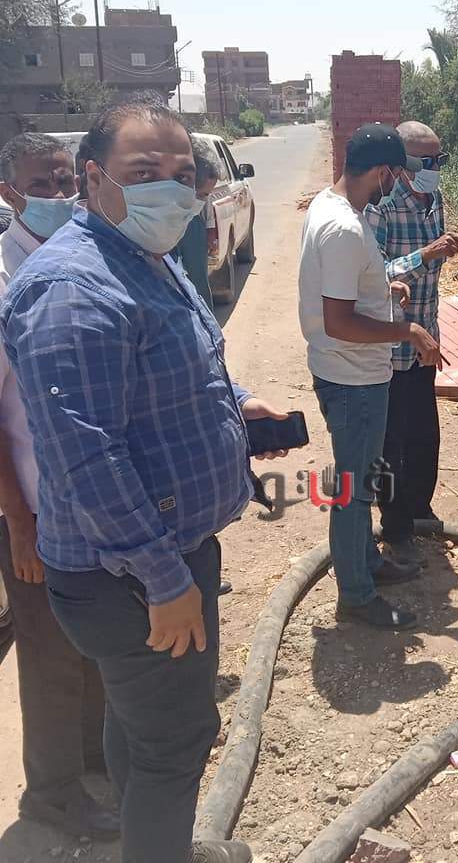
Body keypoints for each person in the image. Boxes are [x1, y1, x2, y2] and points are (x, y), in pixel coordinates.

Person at [0, 103, 289, 863]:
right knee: (174, 742)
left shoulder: (145, 256)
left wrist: (236, 404)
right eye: (144, 172)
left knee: (137, 729)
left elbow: (174, 372)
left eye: (182, 173)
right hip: (129, 572)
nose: (171, 187)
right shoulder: (73, 289)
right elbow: (84, 458)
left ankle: (150, 847)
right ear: (94, 179)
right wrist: (164, 579)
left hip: (162, 552)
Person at [0, 133, 118, 838]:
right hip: (35, 510)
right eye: (40, 184)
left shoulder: (82, 255)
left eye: (65, 180)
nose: (58, 194)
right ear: (9, 193)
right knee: (48, 653)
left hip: (90, 500)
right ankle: (52, 792)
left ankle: (94, 757)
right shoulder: (4, 277)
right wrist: (19, 522)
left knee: (95, 636)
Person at [299, 123, 444, 631]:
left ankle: (367, 561)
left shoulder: (332, 207)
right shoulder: (343, 227)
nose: (396, 183)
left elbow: (348, 289)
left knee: (361, 478)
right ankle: (356, 595)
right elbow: (338, 320)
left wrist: (384, 289)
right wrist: (407, 330)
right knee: (353, 491)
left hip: (351, 372)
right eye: (395, 175)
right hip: (352, 378)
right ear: (382, 172)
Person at [366, 121, 458, 565]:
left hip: (426, 338)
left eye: (439, 159)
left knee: (424, 433)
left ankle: (420, 507)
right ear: (403, 162)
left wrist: (442, 252)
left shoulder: (434, 200)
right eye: (427, 161)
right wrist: (423, 256)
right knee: (392, 440)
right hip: (390, 345)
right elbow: (372, 274)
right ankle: (395, 524)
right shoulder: (382, 206)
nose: (435, 168)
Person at [173, 141, 218, 310]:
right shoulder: (166, 224)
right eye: (203, 194)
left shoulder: (194, 223)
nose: (204, 201)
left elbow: (199, 282)